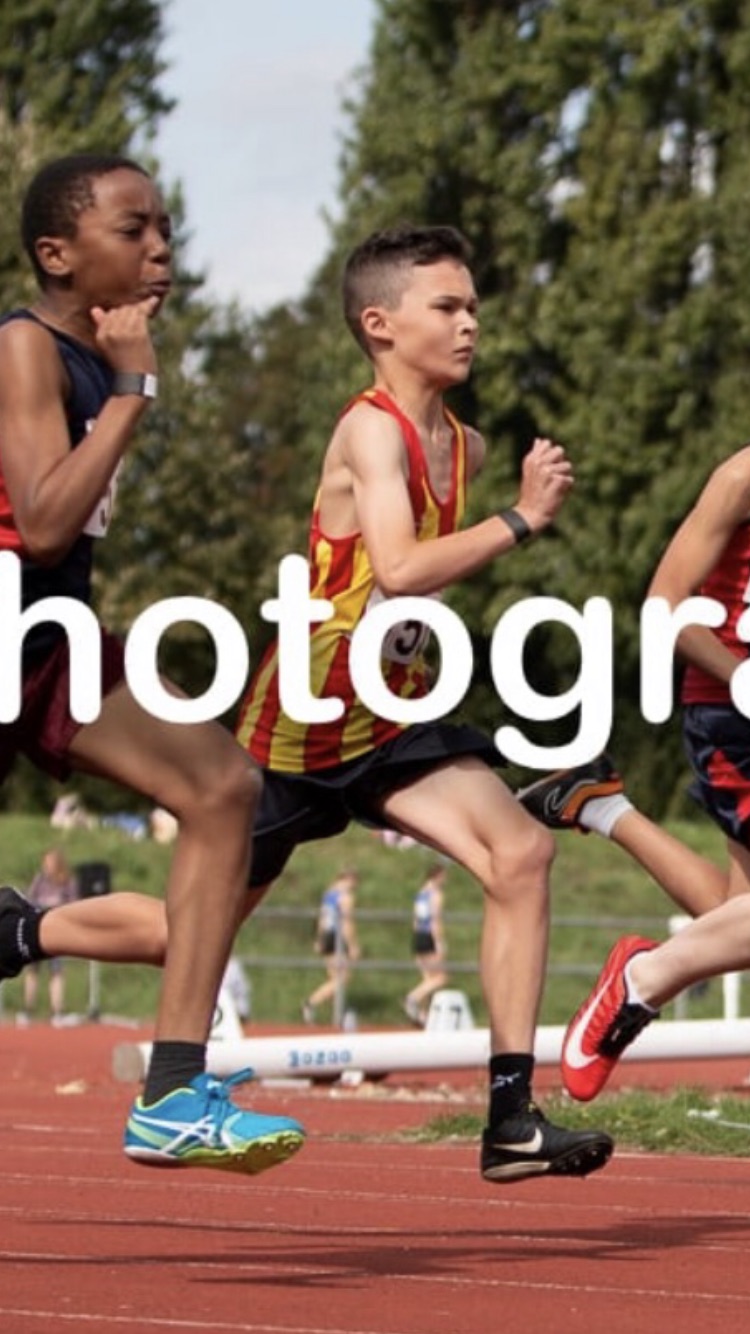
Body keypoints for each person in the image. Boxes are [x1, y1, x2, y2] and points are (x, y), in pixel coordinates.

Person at [0, 223, 732, 1179]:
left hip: (391, 715)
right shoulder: (369, 429)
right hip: (302, 724)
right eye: (448, 307)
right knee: (193, 932)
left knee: (521, 852)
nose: (470, 324)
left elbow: (411, 588)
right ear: (380, 325)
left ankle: (511, 1117)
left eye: (474, 307)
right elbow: (400, 566)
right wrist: (520, 520)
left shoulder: (463, 444)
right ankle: (25, 929)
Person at [0, 153, 303, 1174]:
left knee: (223, 785)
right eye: (133, 230)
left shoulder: (100, 356)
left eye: (166, 228)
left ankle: (173, 1090)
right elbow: (44, 520)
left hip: (50, 634)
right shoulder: (25, 345)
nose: (161, 249)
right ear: (58, 254)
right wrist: (134, 390)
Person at [558, 443, 750, 1101]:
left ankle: (604, 809)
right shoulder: (740, 478)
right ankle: (643, 979)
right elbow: (665, 606)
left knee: (732, 919)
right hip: (732, 712)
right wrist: (741, 676)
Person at [18, 848, 78, 1025]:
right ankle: (27, 1011)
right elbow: (29, 900)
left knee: (56, 972)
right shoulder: (39, 880)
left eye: (49, 862)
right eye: (45, 862)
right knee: (32, 971)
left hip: (57, 931)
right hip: (37, 930)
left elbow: (74, 904)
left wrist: (57, 906)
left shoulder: (67, 882)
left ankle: (57, 1012)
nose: (46, 866)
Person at [303, 869, 360, 1024]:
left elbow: (322, 919)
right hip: (337, 938)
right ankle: (312, 1002)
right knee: (342, 978)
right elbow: (347, 923)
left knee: (335, 978)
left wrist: (319, 938)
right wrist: (353, 945)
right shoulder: (345, 897)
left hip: (327, 935)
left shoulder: (328, 895)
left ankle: (338, 1014)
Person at [403, 862, 449, 1026]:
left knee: (428, 979)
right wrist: (439, 942)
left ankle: (424, 1015)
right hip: (428, 936)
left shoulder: (421, 893)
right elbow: (435, 920)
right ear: (438, 876)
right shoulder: (435, 895)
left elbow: (416, 920)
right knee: (440, 978)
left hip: (418, 935)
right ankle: (412, 998)